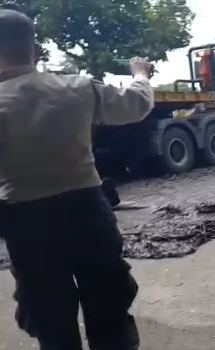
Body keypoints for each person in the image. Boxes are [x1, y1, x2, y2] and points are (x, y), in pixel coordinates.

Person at [0, 9, 154, 350]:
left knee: (51, 322)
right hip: (88, 212)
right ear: (34, 48)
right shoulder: (77, 88)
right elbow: (137, 105)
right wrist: (140, 74)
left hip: (26, 223)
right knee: (109, 308)